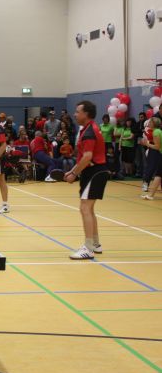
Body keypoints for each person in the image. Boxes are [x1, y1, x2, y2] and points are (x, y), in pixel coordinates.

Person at [65, 101, 108, 260]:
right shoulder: (87, 129)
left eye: (78, 112)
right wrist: (72, 170)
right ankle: (95, 244)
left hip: (95, 172)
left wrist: (74, 174)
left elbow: (88, 157)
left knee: (85, 208)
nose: (75, 114)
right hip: (94, 171)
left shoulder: (89, 132)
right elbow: (84, 156)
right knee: (89, 209)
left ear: (86, 114)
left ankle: (88, 249)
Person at [141, 117, 162, 200]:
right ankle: (151, 195)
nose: (148, 123)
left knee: (158, 175)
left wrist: (147, 144)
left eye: (150, 122)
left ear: (154, 123)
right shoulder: (157, 131)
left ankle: (151, 195)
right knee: (158, 175)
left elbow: (157, 147)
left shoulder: (156, 132)